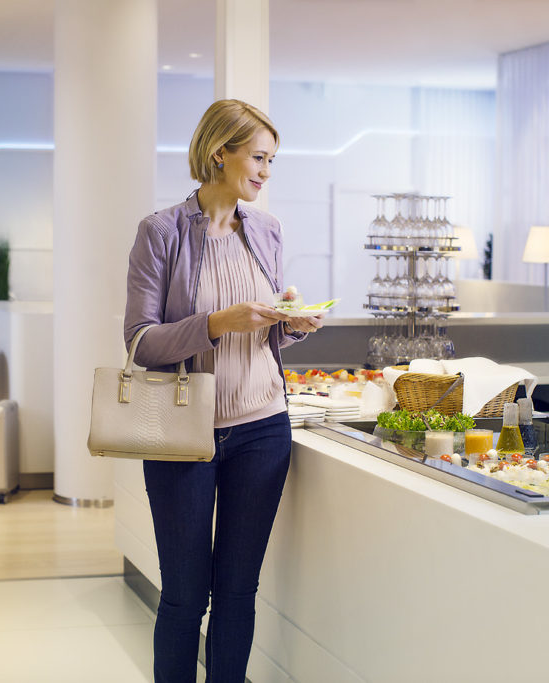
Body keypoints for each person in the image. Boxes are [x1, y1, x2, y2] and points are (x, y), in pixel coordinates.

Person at [124, 99, 324, 682]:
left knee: (238, 592)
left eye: (271, 161)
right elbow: (140, 343)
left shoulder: (266, 229)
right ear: (220, 153)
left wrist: (292, 322)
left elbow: (267, 340)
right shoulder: (161, 232)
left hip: (263, 427)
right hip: (182, 430)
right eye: (258, 157)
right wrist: (218, 322)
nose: (265, 171)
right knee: (186, 595)